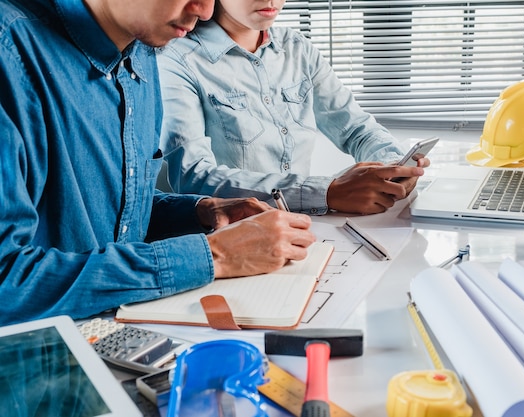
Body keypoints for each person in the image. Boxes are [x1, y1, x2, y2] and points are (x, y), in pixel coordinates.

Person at [0, 0, 317, 327]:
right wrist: (214, 256)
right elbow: (5, 282)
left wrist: (200, 212)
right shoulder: (9, 53)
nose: (206, 12)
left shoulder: (143, 51)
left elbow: (110, 212)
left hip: (120, 331)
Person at [157, 0, 430, 216]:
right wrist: (327, 192)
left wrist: (394, 165)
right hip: (226, 235)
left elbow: (357, 129)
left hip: (304, 226)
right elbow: (193, 176)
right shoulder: (176, 59)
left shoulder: (297, 48)